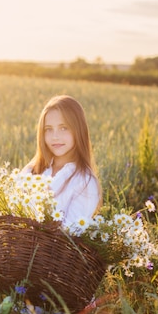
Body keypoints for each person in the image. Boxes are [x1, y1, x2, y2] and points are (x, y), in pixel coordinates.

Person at [23, 95, 102, 228]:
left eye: (63, 128)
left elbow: (70, 235)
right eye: (48, 129)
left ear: (78, 130)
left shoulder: (85, 182)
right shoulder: (32, 170)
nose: (55, 137)